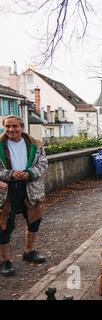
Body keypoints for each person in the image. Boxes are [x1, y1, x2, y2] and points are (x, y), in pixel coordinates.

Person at [0, 116, 48, 277]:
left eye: (15, 126)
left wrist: (29, 173)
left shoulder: (36, 144)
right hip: (6, 190)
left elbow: (43, 164)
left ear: (22, 127)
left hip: (30, 188)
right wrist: (11, 174)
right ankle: (6, 261)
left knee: (34, 221)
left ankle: (29, 251)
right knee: (4, 226)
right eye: (7, 126)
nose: (11, 130)